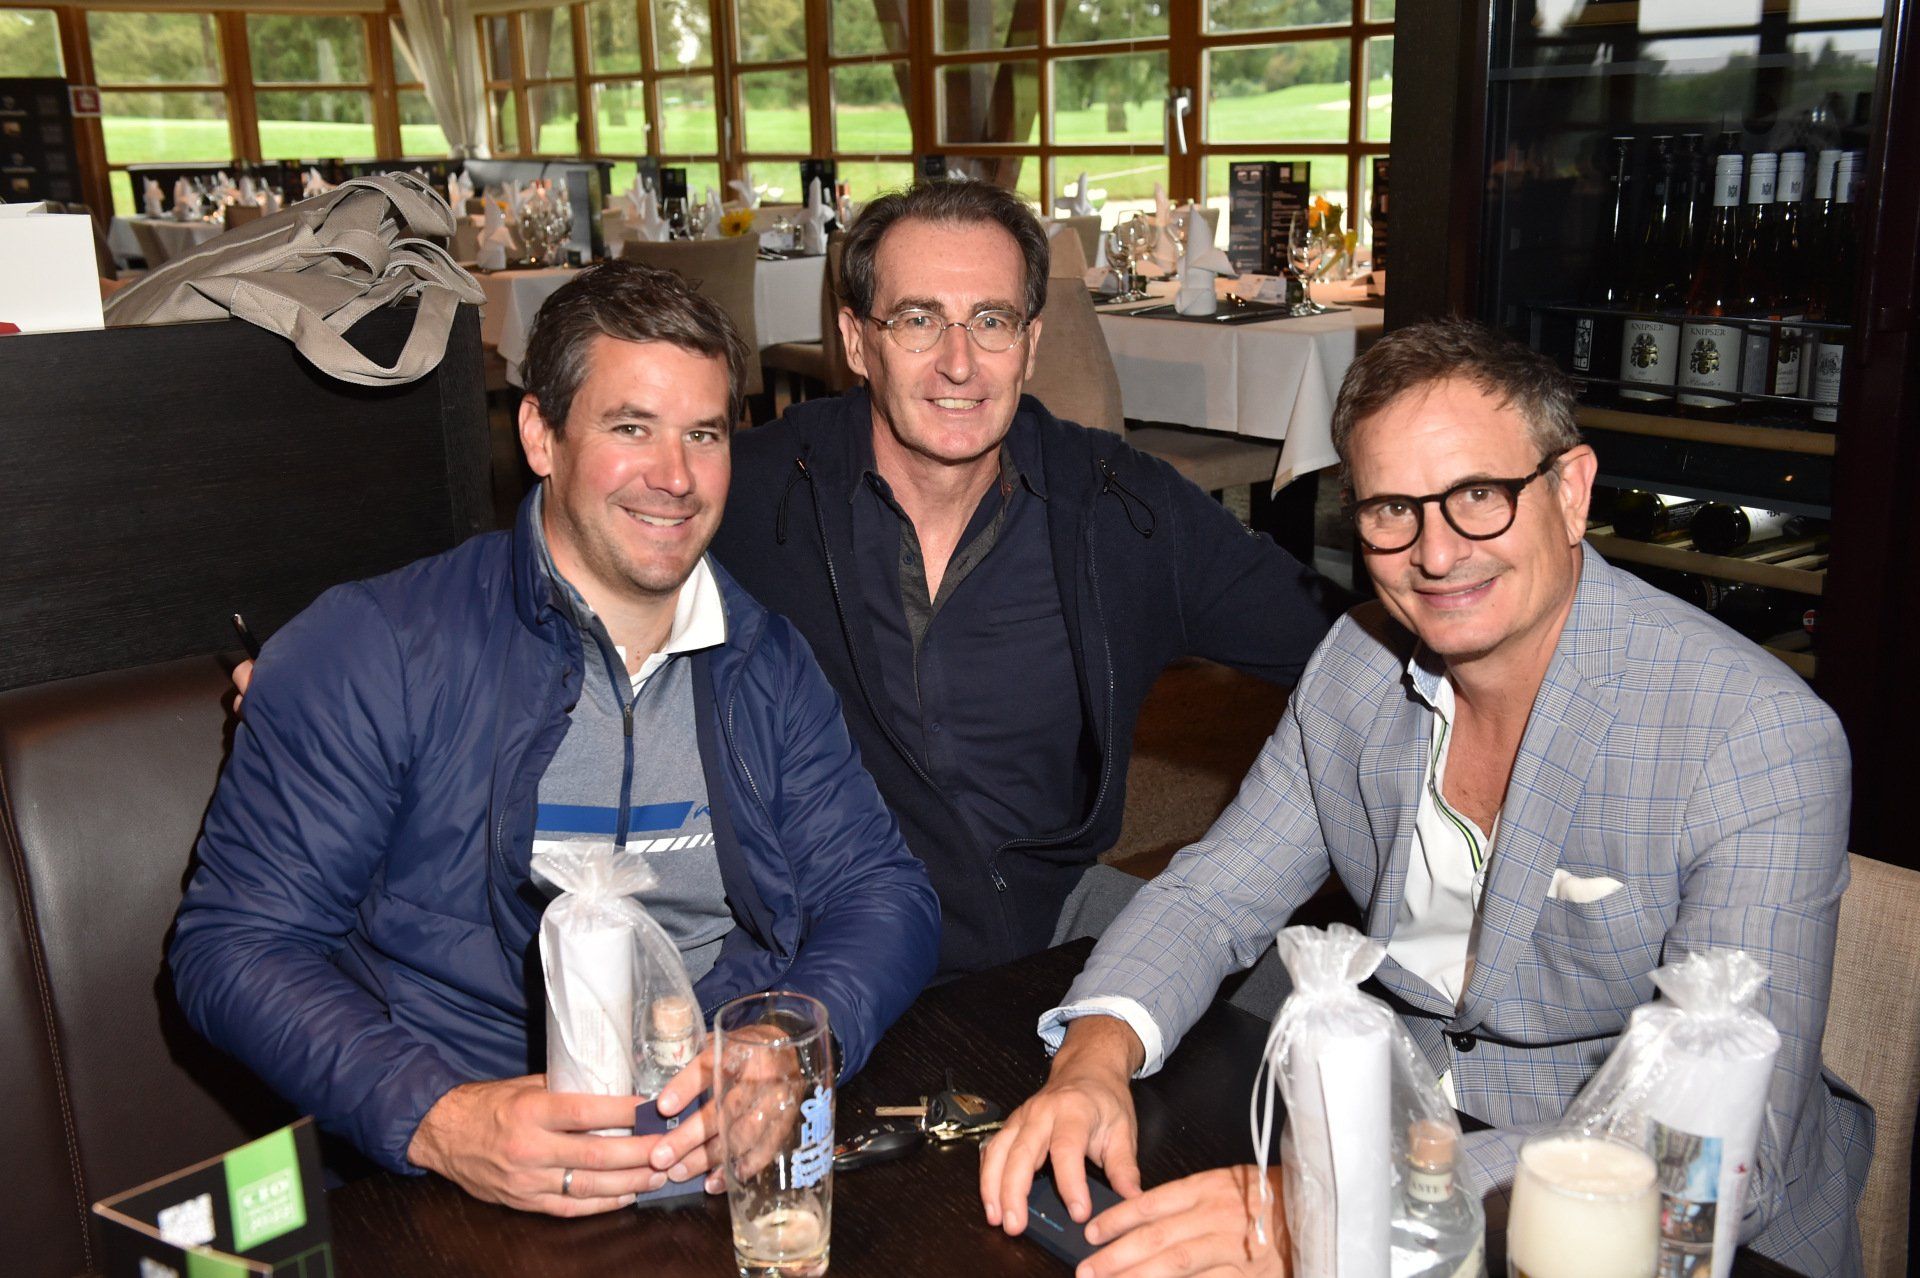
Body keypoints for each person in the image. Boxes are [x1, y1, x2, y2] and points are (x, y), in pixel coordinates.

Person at [979, 318, 1871, 1275]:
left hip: (1656, 1234)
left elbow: (1715, 1151)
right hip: (1398, 1146)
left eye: (1480, 495)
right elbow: (1213, 895)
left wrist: (1339, 1206)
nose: (1436, 555)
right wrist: (1093, 1058)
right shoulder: (1357, 664)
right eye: (1392, 509)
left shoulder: (1755, 736)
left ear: (1571, 492)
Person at [171, 259, 940, 1217]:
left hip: (706, 1163)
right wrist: (437, 1117)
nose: (675, 477)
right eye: (631, 428)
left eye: (704, 434)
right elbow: (236, 945)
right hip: (459, 1168)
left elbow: (883, 894)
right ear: (541, 435)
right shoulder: (377, 647)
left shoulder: (765, 659)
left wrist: (785, 1040)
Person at [710, 179, 1343, 978]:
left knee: (1321, 1022)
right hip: (821, 953)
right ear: (857, 341)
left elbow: (1346, 650)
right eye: (918, 320)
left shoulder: (1120, 509)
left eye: (992, 321)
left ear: (1031, 343)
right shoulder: (753, 492)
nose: (960, 364)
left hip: (1045, 932)